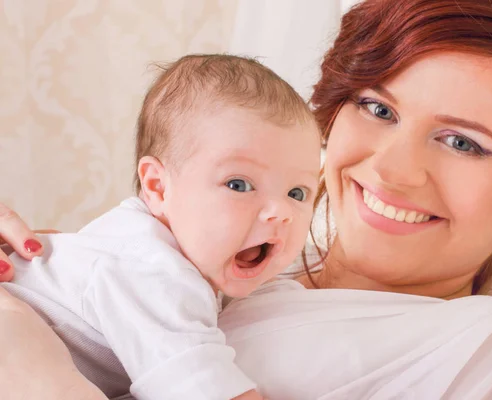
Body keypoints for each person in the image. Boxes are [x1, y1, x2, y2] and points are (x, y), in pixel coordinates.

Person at [1, 0, 492, 398]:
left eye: (461, 142)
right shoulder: (239, 254)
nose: (392, 168)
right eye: (377, 108)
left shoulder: (489, 348)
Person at [0, 54, 321, 400]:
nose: (280, 211)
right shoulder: (155, 269)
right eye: (239, 184)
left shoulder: (163, 253)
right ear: (158, 187)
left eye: (297, 193)